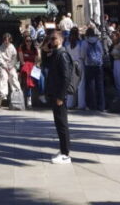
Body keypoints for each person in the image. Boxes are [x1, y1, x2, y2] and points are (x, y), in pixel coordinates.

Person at [44, 29, 72, 164]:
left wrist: (61, 96)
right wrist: (45, 49)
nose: (51, 41)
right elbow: (45, 63)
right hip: (55, 93)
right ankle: (62, 150)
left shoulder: (63, 55)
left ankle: (66, 154)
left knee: (62, 124)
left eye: (54, 39)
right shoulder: (56, 53)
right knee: (58, 123)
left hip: (59, 95)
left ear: (61, 40)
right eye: (50, 39)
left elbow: (66, 77)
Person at [84, 24, 106, 112]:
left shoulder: (85, 42)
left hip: (89, 65)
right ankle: (101, 105)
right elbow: (102, 53)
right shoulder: (98, 42)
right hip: (99, 65)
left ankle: (92, 105)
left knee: (90, 86)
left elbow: (83, 54)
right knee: (100, 85)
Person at [65, 27, 86, 109]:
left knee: (72, 84)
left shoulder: (67, 44)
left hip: (71, 64)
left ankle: (70, 103)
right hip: (80, 63)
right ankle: (81, 104)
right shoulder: (81, 43)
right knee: (81, 84)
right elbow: (83, 55)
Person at [0, 32, 19, 106]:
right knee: (3, 76)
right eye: (5, 40)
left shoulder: (12, 48)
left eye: (8, 40)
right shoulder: (0, 48)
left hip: (11, 66)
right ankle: (3, 94)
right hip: (3, 66)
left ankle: (16, 92)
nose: (6, 42)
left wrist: (10, 66)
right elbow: (0, 58)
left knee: (13, 76)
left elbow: (14, 58)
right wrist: (5, 66)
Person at [18, 33, 39, 108]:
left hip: (32, 65)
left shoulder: (35, 49)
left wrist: (34, 66)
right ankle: (29, 98)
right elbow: (22, 61)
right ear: (25, 41)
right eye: (27, 41)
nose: (28, 42)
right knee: (27, 74)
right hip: (25, 65)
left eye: (30, 41)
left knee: (38, 76)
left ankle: (31, 96)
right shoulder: (21, 48)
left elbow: (36, 61)